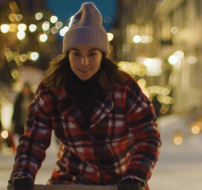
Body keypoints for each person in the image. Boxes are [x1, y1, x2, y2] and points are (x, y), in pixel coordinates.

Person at [8, 2, 161, 190]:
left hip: (121, 182)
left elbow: (147, 137)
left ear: (103, 54)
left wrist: (135, 176)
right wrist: (22, 174)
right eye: (76, 54)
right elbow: (33, 141)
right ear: (67, 54)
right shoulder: (51, 90)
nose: (84, 62)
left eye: (92, 54)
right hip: (71, 181)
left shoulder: (124, 88)